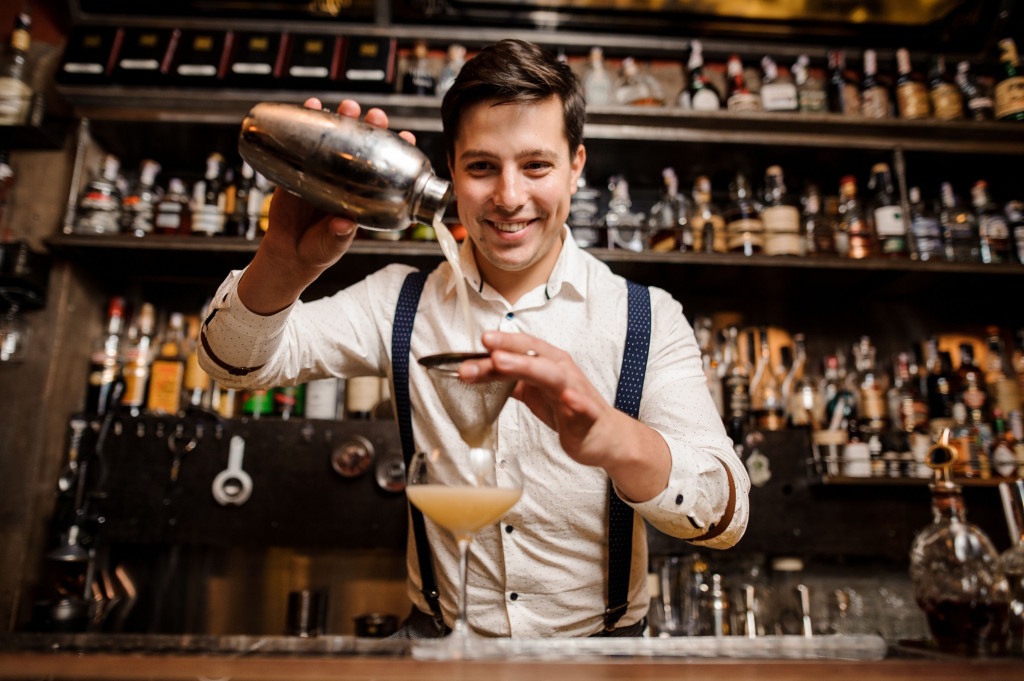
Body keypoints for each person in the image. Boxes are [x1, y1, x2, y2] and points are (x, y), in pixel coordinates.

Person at [198, 39, 749, 639]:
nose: (509, 197)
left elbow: (727, 514)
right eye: (482, 166)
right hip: (438, 651)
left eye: (536, 165)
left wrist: (613, 438)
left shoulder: (645, 317)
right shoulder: (397, 300)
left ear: (576, 166)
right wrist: (284, 259)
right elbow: (234, 364)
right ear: (452, 171)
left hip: (599, 662)